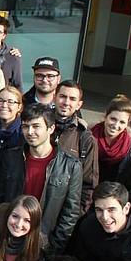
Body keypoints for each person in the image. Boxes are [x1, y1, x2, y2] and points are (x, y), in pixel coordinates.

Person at [0, 104, 83, 253]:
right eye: (25, 127)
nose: (30, 132)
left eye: (36, 126)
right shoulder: (10, 158)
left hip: (43, 244)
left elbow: (70, 213)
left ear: (51, 129)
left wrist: (52, 247)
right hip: (8, 238)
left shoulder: (70, 166)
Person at [51, 80, 99, 208]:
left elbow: (89, 185)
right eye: (62, 96)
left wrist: (73, 218)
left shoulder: (86, 139)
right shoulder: (39, 128)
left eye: (72, 99)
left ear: (79, 105)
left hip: (63, 211)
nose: (66, 102)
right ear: (54, 98)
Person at [92, 94, 131, 183]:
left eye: (122, 122)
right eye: (113, 119)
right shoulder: (87, 137)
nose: (116, 125)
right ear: (105, 116)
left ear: (127, 124)